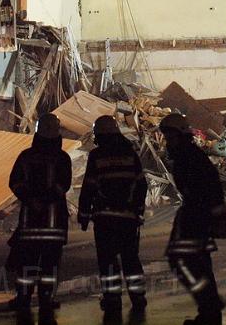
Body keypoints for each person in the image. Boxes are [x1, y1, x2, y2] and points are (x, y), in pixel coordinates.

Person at [159, 113, 226, 325]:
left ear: (180, 136)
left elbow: (211, 185)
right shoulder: (188, 156)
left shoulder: (189, 157)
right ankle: (209, 312)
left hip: (195, 214)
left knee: (179, 259)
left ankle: (209, 302)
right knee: (200, 261)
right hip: (198, 213)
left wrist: (216, 215)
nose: (167, 143)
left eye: (170, 138)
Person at [78, 115, 148, 319]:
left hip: (105, 218)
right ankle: (138, 297)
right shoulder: (130, 153)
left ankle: (112, 299)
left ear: (99, 135)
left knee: (108, 261)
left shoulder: (96, 156)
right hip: (128, 218)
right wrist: (138, 210)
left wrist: (83, 215)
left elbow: (89, 187)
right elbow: (141, 185)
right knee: (131, 259)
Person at [7, 113, 71, 324]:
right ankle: (46, 298)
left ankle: (23, 297)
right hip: (54, 225)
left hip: (30, 223)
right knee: (50, 264)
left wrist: (32, 200)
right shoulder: (62, 158)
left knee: (27, 262)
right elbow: (64, 185)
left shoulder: (26, 156)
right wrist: (46, 200)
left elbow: (15, 182)